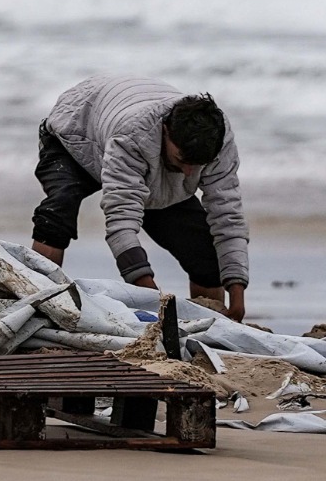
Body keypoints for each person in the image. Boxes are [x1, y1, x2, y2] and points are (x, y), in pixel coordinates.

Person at [28, 76, 249, 322]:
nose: (189, 174)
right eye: (182, 161)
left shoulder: (218, 139)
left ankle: (212, 323)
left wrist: (237, 296)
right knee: (59, 209)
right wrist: (154, 301)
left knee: (202, 249)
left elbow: (227, 216)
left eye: (196, 166)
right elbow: (121, 223)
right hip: (77, 131)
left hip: (143, 143)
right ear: (166, 131)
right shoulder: (132, 137)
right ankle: (36, 305)